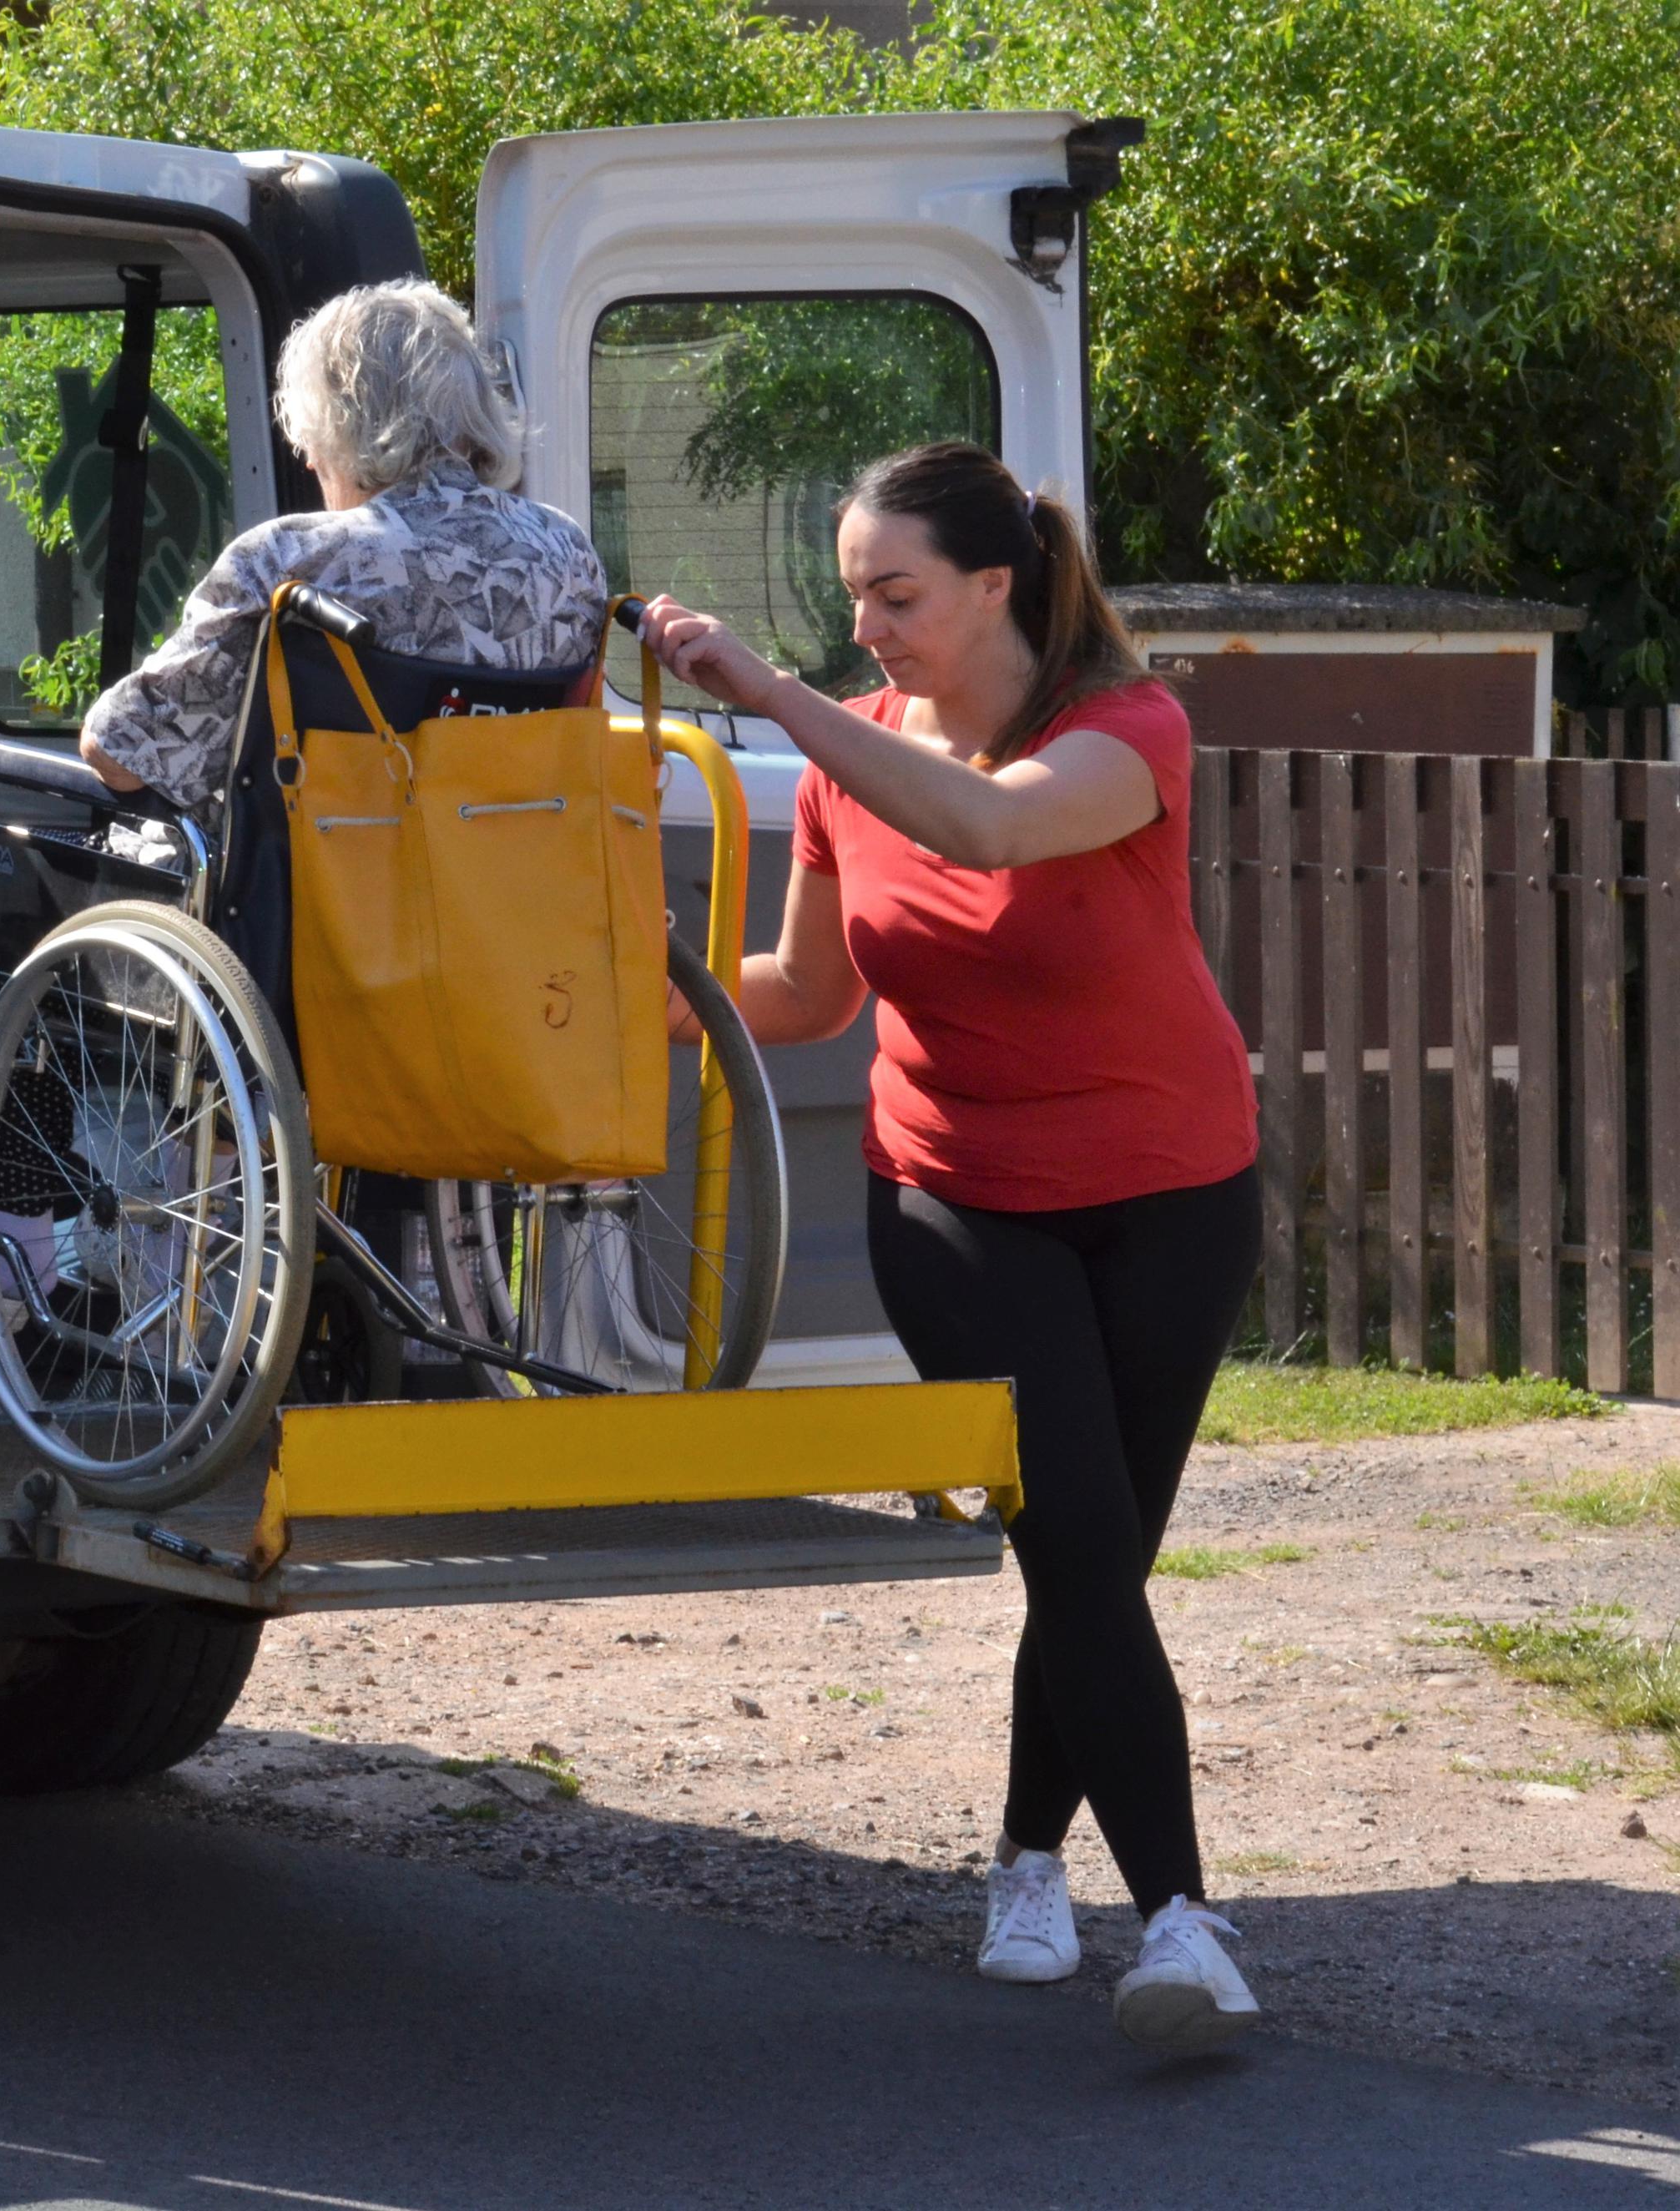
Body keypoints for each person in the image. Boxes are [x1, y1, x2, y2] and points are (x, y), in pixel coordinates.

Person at [639, 440, 1264, 2057]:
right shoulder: (858, 758)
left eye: (893, 594)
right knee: (1065, 1527)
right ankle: (1182, 1925)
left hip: (1167, 1186)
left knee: (1095, 1554)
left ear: (996, 583)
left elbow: (986, 833)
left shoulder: (1127, 730)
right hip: (952, 1192)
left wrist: (776, 698)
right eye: (849, 597)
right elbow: (807, 995)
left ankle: (1024, 1858)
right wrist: (635, 995)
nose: (868, 628)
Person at [78, 279, 606, 805]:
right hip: (515, 875)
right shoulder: (566, 552)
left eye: (310, 438)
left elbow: (122, 754)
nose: (308, 460)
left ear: (343, 427)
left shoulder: (287, 561)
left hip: (327, 881)